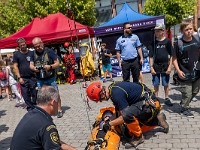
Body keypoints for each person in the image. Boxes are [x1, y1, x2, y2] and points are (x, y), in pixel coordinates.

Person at [86, 81, 169, 148]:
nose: (101, 101)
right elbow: (119, 112)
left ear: (102, 93)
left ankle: (138, 137)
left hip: (151, 105)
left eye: (101, 99)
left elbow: (123, 117)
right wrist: (109, 120)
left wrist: (109, 124)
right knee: (127, 131)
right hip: (146, 105)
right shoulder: (113, 89)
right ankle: (157, 120)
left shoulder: (116, 93)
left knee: (127, 117)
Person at [10, 86, 76, 150]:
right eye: (57, 102)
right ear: (53, 102)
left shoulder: (32, 114)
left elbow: (53, 141)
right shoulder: (46, 125)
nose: (58, 106)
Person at [30, 37, 63, 118]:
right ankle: (44, 112)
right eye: (35, 46)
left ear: (42, 43)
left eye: (38, 45)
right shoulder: (32, 53)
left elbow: (57, 63)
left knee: (56, 94)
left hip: (50, 77)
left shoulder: (49, 51)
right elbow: (30, 65)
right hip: (40, 79)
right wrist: (34, 68)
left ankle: (59, 110)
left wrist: (50, 66)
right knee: (41, 96)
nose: (38, 48)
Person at [172, 21, 200, 117]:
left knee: (195, 91)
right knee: (187, 93)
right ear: (182, 31)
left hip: (197, 71)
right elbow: (174, 59)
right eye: (186, 29)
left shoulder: (197, 39)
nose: (189, 31)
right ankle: (184, 108)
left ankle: (184, 102)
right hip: (184, 72)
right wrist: (178, 71)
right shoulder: (178, 43)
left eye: (190, 29)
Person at [149, 23, 173, 107]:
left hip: (165, 66)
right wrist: (151, 67)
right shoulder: (153, 43)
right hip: (155, 66)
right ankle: (156, 98)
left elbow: (172, 55)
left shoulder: (167, 41)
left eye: (158, 31)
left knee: (165, 83)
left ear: (163, 31)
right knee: (156, 83)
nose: (156, 33)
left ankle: (166, 98)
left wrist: (170, 66)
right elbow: (150, 56)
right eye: (155, 31)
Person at [13, 38, 37, 111]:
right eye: (21, 45)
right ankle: (30, 108)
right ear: (19, 46)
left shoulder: (31, 53)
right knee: (26, 95)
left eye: (24, 44)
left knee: (35, 93)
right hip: (23, 78)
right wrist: (19, 77)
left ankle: (34, 106)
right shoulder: (17, 54)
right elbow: (15, 66)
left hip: (32, 77)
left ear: (26, 43)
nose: (23, 46)